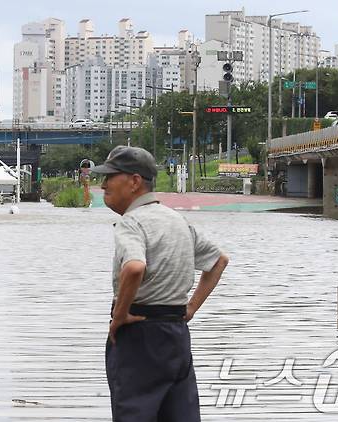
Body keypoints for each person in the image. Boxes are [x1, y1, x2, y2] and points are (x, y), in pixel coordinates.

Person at [91, 145, 229, 422]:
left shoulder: (132, 222)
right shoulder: (176, 220)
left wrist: (120, 315)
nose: (103, 183)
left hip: (138, 334)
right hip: (176, 334)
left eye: (110, 176)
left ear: (134, 181)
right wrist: (190, 309)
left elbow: (134, 267)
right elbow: (218, 262)